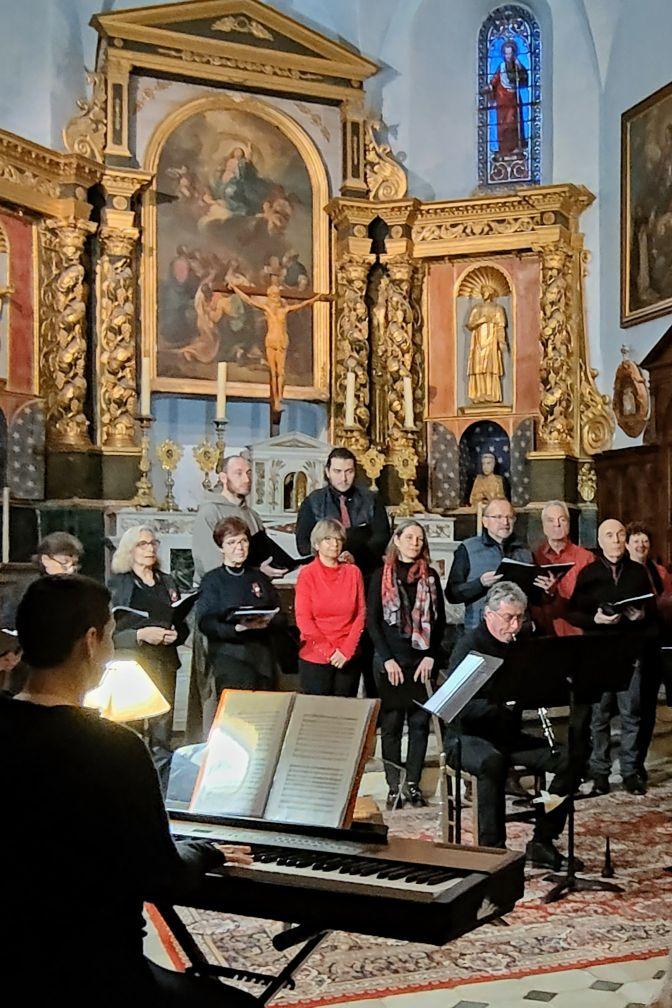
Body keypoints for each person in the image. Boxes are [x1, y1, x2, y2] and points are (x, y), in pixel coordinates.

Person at [0, 574, 254, 1005]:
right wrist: (206, 850)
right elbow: (162, 874)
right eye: (113, 636)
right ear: (91, 640)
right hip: (96, 974)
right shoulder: (113, 748)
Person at [443, 581, 576, 869]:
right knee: (493, 762)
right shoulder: (470, 646)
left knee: (568, 759)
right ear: (488, 615)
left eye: (520, 618)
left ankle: (542, 839)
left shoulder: (521, 643)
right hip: (466, 738)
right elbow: (455, 708)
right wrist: (499, 706)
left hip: (507, 734)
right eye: (508, 618)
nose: (515, 626)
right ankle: (493, 853)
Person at [567, 518, 657, 795]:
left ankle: (630, 772)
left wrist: (641, 614)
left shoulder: (638, 573)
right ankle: (601, 774)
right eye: (610, 535)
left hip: (630, 652)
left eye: (620, 534)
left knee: (632, 714)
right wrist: (594, 619)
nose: (617, 540)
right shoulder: (589, 574)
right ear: (600, 541)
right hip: (598, 652)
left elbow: (652, 612)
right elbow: (574, 612)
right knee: (599, 716)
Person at [367, 520, 446, 809]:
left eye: (419, 538)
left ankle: (412, 783)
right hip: (391, 662)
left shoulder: (431, 576)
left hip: (421, 661)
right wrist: (387, 659)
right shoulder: (381, 575)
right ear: (396, 540)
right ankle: (393, 786)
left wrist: (431, 656)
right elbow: (373, 621)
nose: (415, 542)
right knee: (391, 724)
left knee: (418, 723)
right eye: (409, 537)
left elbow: (439, 624)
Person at [109, 526, 190, 793]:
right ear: (129, 550)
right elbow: (111, 629)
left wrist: (175, 634)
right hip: (133, 662)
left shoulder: (167, 581)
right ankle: (128, 787)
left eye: (153, 543)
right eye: (142, 544)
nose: (150, 549)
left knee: (161, 730)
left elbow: (181, 622)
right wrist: (141, 634)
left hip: (164, 661)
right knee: (130, 728)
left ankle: (159, 791)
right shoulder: (119, 582)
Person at [227, 279, 330, 429]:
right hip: (271, 340)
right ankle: (275, 400)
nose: (274, 298)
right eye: (271, 295)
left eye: (276, 295)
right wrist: (236, 288)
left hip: (282, 340)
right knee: (273, 371)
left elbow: (303, 304)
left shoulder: (284, 310)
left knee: (281, 372)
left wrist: (316, 298)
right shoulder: (267, 310)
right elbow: (248, 300)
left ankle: (279, 399)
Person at [198, 516, 284, 694]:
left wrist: (266, 622)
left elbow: (281, 616)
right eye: (231, 542)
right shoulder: (213, 580)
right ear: (221, 548)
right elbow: (206, 623)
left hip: (263, 659)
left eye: (244, 541)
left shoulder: (260, 578)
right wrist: (236, 629)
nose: (239, 547)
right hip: (230, 658)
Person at [294, 518, 366, 697]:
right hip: (315, 657)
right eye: (328, 539)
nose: (334, 544)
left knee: (345, 717)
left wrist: (346, 651)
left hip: (347, 657)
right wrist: (330, 652)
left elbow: (361, 613)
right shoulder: (307, 574)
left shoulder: (353, 572)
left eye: (338, 539)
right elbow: (304, 620)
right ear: (317, 544)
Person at [446, 497, 541, 631]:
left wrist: (547, 590)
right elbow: (452, 594)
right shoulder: (468, 549)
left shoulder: (524, 552)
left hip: (519, 629)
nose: (505, 522)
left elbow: (535, 598)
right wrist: (480, 583)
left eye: (510, 517)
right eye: (498, 517)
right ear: (485, 521)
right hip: (480, 629)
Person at [295, 447, 390, 579]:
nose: (343, 478)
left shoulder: (372, 500)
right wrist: (332, 555)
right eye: (337, 471)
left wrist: (355, 556)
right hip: (325, 574)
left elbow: (382, 538)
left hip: (366, 571)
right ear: (327, 472)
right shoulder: (313, 502)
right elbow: (303, 544)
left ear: (355, 472)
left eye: (348, 472)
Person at [625, 522, 672, 780]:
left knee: (649, 708)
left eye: (644, 541)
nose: (641, 545)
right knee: (632, 708)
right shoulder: (622, 571)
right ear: (627, 545)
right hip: (631, 646)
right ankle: (629, 765)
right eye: (636, 541)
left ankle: (639, 761)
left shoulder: (659, 571)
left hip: (655, 644)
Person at [532, 501, 595, 637]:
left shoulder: (586, 558)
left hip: (577, 632)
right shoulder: (534, 556)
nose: (557, 524)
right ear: (543, 526)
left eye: (562, 519)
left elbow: (591, 600)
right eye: (551, 520)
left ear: (569, 523)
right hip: (543, 632)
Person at [483, 39, 529, 156]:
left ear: (514, 54)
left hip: (513, 99)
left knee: (514, 123)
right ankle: (504, 150)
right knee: (503, 125)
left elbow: (525, 79)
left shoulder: (518, 65)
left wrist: (520, 69)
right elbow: (494, 81)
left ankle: (516, 148)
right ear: (504, 54)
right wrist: (489, 87)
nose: (508, 56)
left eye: (510, 53)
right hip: (502, 100)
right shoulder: (502, 67)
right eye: (507, 53)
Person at [465, 283, 508, 403]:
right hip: (478, 341)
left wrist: (502, 342)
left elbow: (501, 326)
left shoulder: (498, 309)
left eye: (487, 291)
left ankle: (491, 393)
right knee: (478, 367)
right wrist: (481, 320)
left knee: (490, 366)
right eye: (483, 291)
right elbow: (470, 325)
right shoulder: (477, 308)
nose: (485, 293)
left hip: (491, 341)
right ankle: (479, 393)